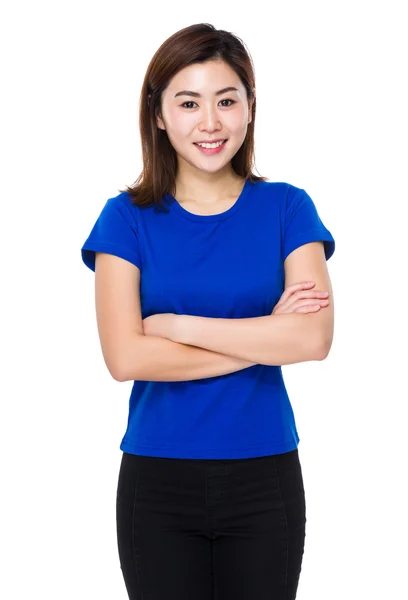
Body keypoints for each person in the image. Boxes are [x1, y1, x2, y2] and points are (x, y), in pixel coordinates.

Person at [81, 22, 335, 600]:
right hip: (157, 480)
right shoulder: (125, 219)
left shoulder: (288, 209)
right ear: (160, 115)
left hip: (264, 473)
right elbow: (125, 357)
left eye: (227, 100)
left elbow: (312, 340)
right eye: (189, 103)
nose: (211, 122)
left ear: (250, 107)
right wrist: (266, 331)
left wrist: (175, 327)